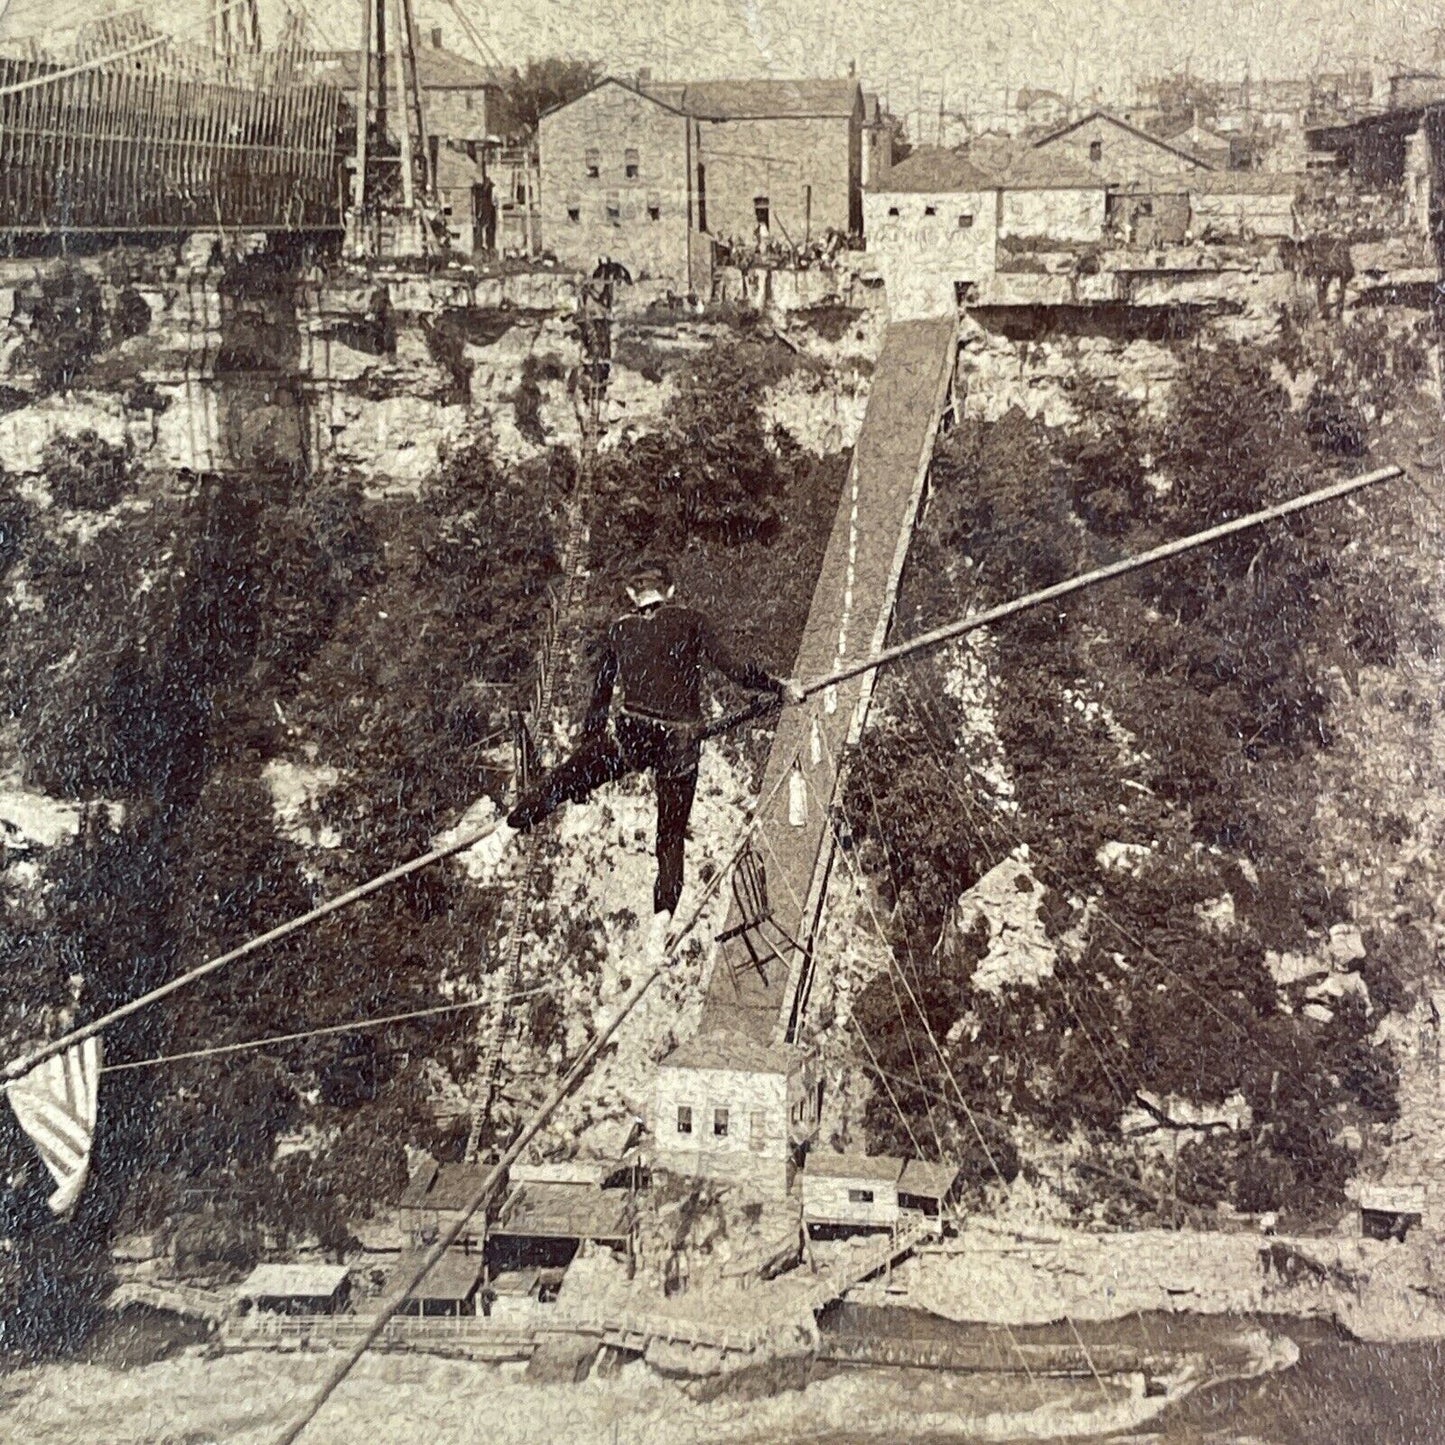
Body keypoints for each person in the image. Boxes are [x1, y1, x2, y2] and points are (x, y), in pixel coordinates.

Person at [472, 560, 805, 959]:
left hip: (636, 734)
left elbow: (599, 701)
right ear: (671, 591)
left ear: (632, 595)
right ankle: (660, 922)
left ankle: (504, 834)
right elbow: (736, 670)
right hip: (680, 740)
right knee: (669, 835)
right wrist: (779, 687)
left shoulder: (619, 629)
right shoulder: (692, 621)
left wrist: (588, 767)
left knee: (562, 781)